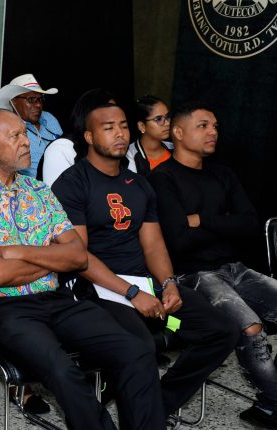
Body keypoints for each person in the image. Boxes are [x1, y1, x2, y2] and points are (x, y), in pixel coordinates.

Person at [0, 108, 165, 429]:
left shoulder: (39, 192)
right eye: (15, 136)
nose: (26, 142)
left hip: (54, 299)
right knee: (63, 371)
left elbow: (77, 256)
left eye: (24, 133)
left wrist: (17, 253)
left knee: (136, 350)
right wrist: (52, 258)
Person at [50, 101, 237, 418]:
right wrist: (132, 293)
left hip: (144, 286)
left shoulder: (138, 184)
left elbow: (153, 245)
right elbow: (78, 257)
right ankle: (139, 411)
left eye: (123, 126)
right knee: (139, 346)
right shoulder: (72, 183)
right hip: (97, 290)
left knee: (221, 331)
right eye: (109, 128)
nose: (119, 134)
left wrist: (169, 284)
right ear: (90, 137)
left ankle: (157, 406)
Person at [149, 101, 277, 428]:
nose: (213, 132)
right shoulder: (163, 178)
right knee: (250, 329)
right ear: (178, 133)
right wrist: (224, 223)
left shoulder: (223, 173)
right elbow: (178, 240)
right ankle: (272, 404)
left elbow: (249, 223)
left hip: (235, 268)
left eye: (216, 126)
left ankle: (269, 400)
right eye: (204, 126)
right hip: (193, 275)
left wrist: (201, 220)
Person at [38, 88, 116, 186]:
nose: (114, 118)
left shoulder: (113, 149)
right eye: (106, 113)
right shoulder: (61, 149)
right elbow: (58, 194)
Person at [0, 73, 62, 177]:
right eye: (31, 100)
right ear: (13, 101)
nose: (38, 105)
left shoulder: (49, 118)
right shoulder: (8, 129)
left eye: (40, 99)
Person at [126, 95, 173, 176]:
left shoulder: (174, 148)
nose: (167, 123)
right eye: (159, 119)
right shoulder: (130, 156)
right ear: (142, 126)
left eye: (168, 117)